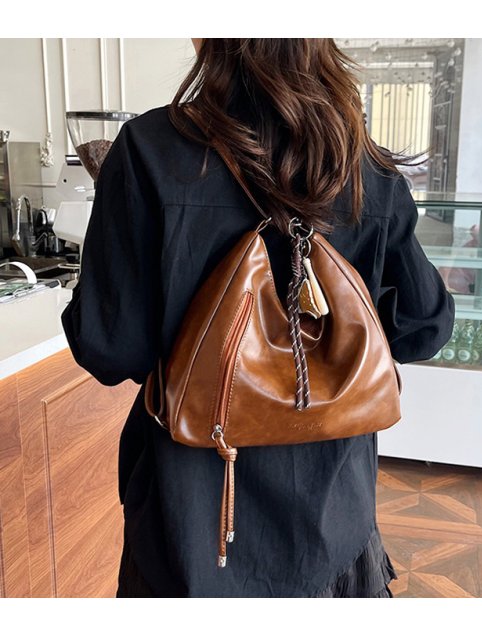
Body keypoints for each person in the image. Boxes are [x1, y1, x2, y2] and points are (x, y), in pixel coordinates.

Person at [61, 38, 455, 598]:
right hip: (333, 513)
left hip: (189, 517)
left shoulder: (148, 150)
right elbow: (423, 328)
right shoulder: (363, 164)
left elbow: (110, 348)